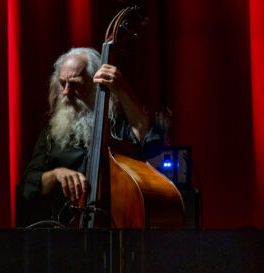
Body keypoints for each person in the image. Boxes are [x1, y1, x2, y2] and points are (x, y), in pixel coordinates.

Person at [19, 47, 162, 225]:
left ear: (96, 86)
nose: (66, 92)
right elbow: (27, 184)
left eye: (75, 84)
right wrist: (56, 174)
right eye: (62, 83)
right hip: (67, 231)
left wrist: (123, 91)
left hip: (117, 227)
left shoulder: (119, 125)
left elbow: (153, 146)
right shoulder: (54, 131)